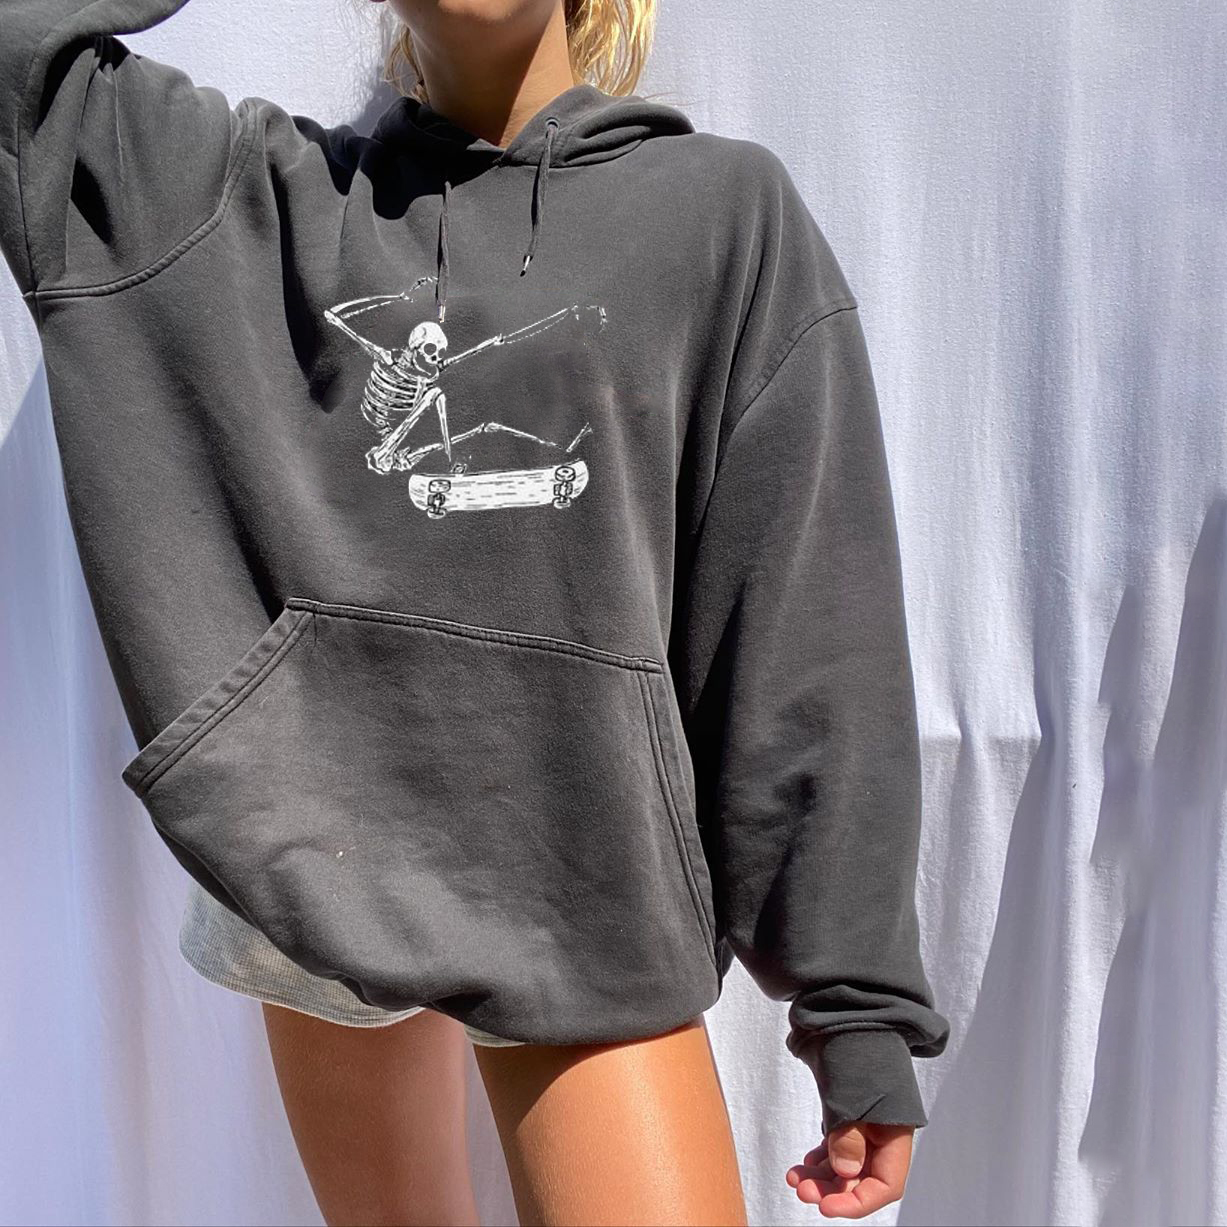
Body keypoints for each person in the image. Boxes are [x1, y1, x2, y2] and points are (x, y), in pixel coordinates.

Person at [0, 0, 951, 1222]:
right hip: (315, 868)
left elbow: (806, 612)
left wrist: (857, 1001)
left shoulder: (721, 213)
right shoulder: (255, 199)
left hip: (582, 869)